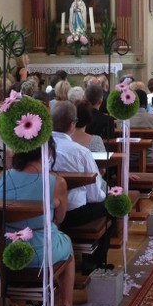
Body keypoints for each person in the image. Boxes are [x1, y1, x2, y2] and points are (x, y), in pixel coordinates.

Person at [0, 139, 80, 306]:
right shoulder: (56, 182)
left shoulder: (4, 176)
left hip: (7, 248)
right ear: (48, 151)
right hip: (40, 252)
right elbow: (61, 218)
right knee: (67, 246)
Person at [50, 101, 112, 273]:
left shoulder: (40, 148)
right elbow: (94, 195)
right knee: (111, 206)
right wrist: (106, 196)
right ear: (72, 125)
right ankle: (96, 261)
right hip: (73, 213)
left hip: (45, 208)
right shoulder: (80, 152)